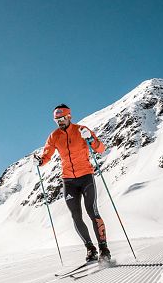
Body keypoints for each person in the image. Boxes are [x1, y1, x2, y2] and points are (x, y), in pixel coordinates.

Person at [35, 104, 112, 263]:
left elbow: (101, 148)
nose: (60, 122)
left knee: (92, 212)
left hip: (86, 177)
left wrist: (90, 139)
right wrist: (41, 160)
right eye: (57, 120)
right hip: (68, 180)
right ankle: (90, 249)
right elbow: (47, 153)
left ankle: (104, 249)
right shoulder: (54, 136)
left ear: (69, 116)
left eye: (62, 118)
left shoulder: (81, 130)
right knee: (76, 216)